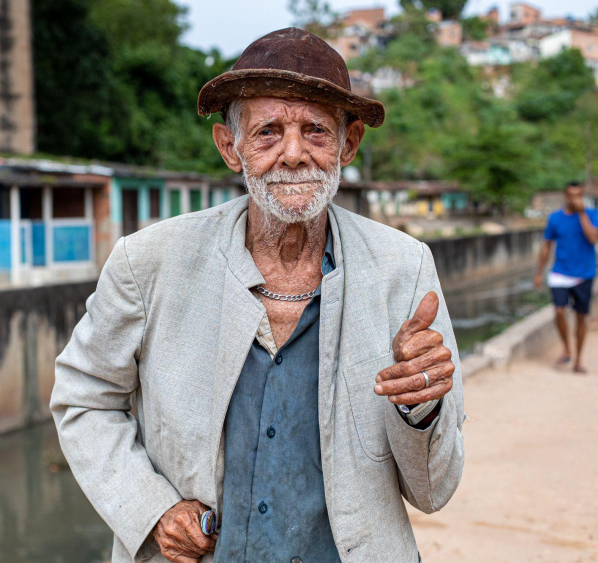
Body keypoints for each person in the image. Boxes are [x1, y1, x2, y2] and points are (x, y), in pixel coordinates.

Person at [51, 28, 464, 563]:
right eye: (268, 132)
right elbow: (84, 397)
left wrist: (421, 406)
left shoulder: (404, 269)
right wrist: (150, 510)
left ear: (349, 143)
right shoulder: (150, 261)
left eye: (315, 130)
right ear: (230, 147)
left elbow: (435, 491)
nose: (293, 155)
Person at [534, 182, 598, 374]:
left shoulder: (592, 215)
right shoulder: (555, 218)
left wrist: (582, 214)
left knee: (581, 317)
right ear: (565, 195)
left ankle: (578, 360)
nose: (574, 198)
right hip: (560, 273)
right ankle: (567, 349)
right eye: (571, 195)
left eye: (578, 195)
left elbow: (593, 239)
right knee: (559, 311)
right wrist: (538, 272)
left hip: (584, 274)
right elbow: (546, 246)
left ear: (582, 195)